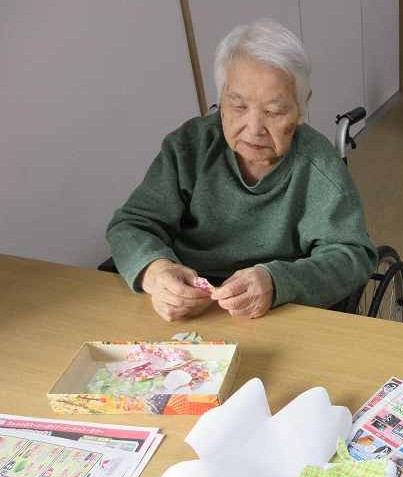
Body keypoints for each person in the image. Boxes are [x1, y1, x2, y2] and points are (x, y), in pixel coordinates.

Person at [107, 20, 377, 322]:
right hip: (190, 304)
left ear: (301, 108)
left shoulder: (318, 166)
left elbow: (353, 255)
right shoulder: (188, 148)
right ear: (221, 101)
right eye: (237, 107)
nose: (253, 128)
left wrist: (277, 281)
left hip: (278, 307)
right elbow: (130, 225)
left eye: (273, 111)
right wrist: (157, 271)